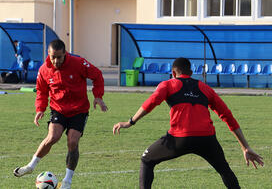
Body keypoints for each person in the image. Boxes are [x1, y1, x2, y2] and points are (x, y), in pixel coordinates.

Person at [113, 57, 264, 189]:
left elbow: (151, 102)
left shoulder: (168, 85)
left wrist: (130, 122)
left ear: (173, 73)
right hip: (206, 139)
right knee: (224, 170)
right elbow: (227, 116)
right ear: (191, 73)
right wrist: (245, 147)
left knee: (146, 160)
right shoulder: (206, 88)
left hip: (179, 138)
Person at [13, 39, 108, 189]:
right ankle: (30, 166)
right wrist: (40, 109)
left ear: (65, 54)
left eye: (59, 57)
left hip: (79, 110)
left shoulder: (78, 63)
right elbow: (42, 92)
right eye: (53, 57)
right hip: (58, 109)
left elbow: (97, 75)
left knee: (72, 142)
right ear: (48, 54)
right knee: (52, 137)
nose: (56, 61)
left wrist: (98, 96)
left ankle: (67, 181)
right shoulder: (44, 70)